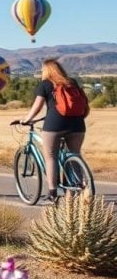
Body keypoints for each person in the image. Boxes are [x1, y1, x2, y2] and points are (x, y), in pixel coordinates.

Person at [16, 58, 89, 203]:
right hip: (78, 124)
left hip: (55, 124)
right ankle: (78, 188)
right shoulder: (72, 82)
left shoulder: (45, 84)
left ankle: (52, 192)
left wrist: (26, 119)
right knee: (74, 154)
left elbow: (37, 107)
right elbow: (84, 102)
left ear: (46, 71)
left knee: (50, 156)